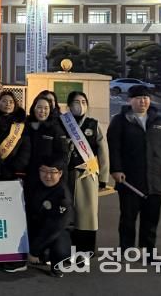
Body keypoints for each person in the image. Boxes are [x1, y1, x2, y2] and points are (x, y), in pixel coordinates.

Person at [107, 85, 161, 253]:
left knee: (151, 219)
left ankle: (148, 252)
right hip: (130, 180)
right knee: (128, 219)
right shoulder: (120, 121)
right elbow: (114, 147)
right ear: (129, 100)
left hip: (156, 181)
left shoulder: (159, 121)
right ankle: (126, 250)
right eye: (138, 98)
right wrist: (116, 169)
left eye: (146, 98)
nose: (143, 101)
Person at [63, 91, 110, 253]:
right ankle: (65, 249)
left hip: (87, 174)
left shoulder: (93, 124)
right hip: (65, 175)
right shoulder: (62, 122)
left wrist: (103, 177)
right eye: (76, 102)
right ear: (69, 105)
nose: (80, 105)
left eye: (83, 102)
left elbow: (103, 152)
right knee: (66, 212)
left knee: (87, 214)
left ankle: (86, 249)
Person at [25, 155, 74, 278]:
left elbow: (54, 227)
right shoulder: (34, 185)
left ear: (60, 173)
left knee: (60, 248)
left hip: (55, 230)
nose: (47, 176)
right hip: (36, 225)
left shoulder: (63, 196)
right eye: (44, 171)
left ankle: (56, 263)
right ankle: (40, 254)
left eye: (52, 172)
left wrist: (34, 251)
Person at [25, 95, 69, 187]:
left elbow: (63, 154)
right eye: (39, 107)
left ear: (50, 110)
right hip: (29, 175)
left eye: (46, 108)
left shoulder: (55, 128)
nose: (42, 111)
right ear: (34, 108)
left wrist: (50, 168)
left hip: (48, 177)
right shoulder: (26, 126)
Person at [0, 91, 30, 181]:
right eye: (4, 101)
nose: (8, 104)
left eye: (11, 102)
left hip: (12, 172)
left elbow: (25, 149)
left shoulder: (21, 123)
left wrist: (14, 167)